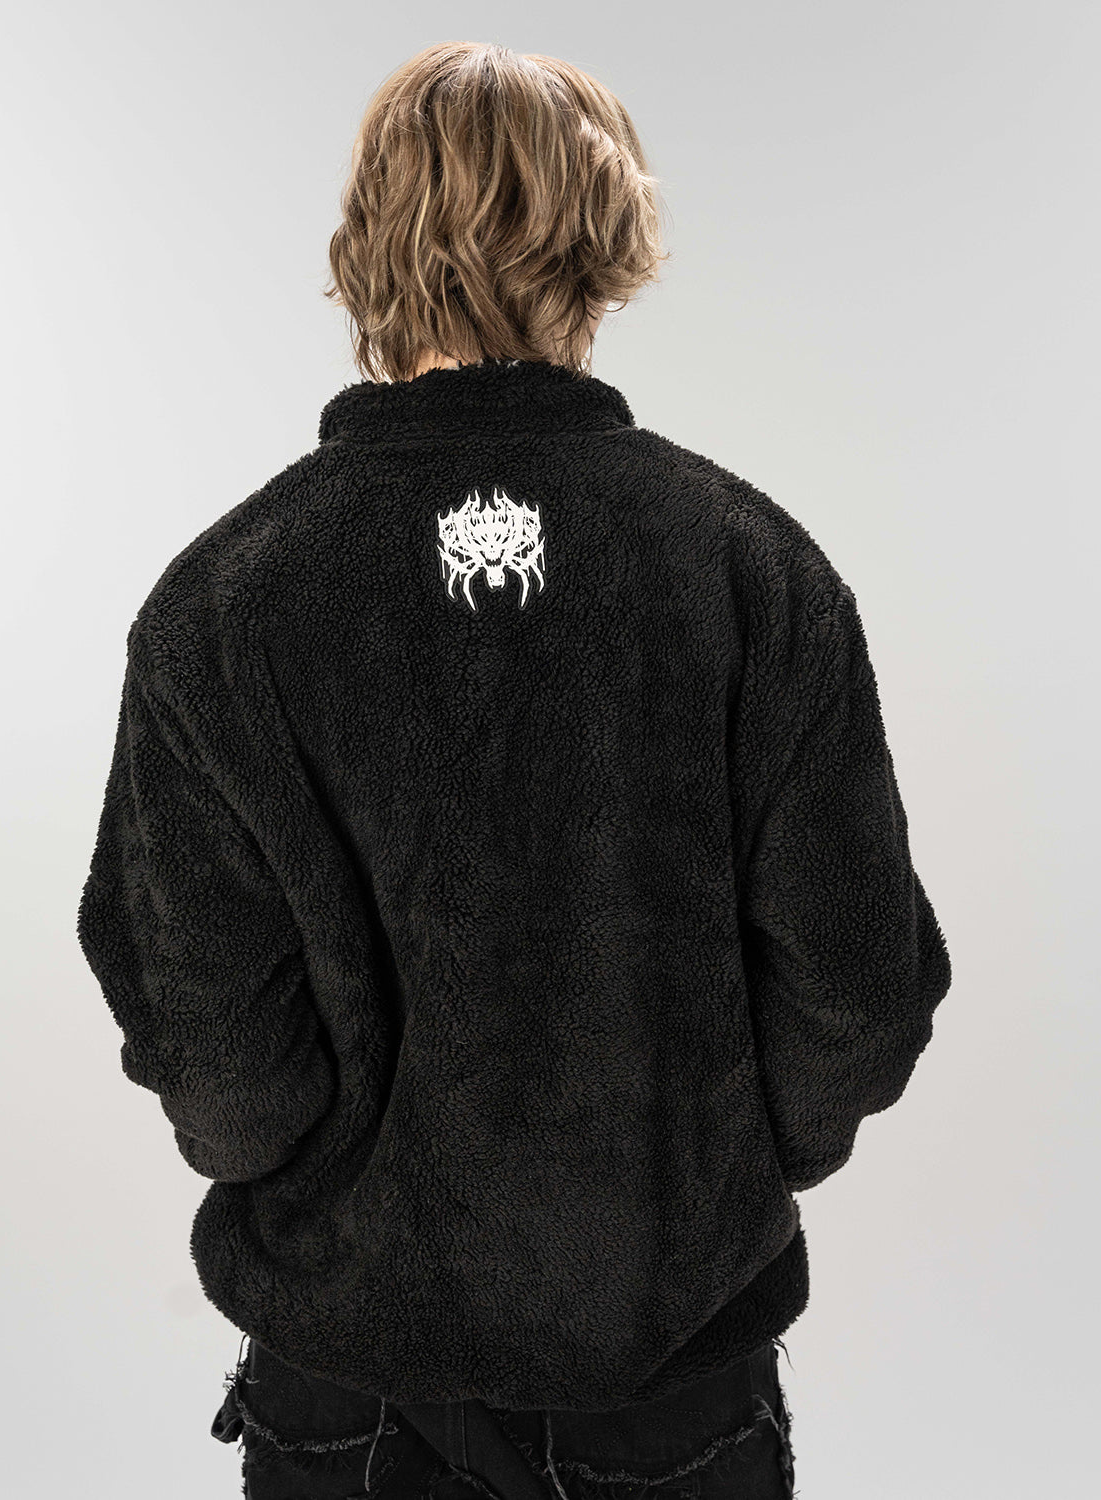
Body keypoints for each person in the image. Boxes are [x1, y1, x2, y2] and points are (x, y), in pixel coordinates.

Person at [77, 40, 952, 1500]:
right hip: (670, 1377)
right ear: (605, 233)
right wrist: (700, 1177)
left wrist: (336, 1185)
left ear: (369, 239)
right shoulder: (749, 571)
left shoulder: (224, 604)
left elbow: (215, 1053)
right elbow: (858, 991)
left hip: (347, 1381)